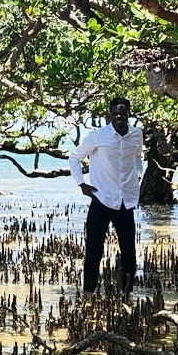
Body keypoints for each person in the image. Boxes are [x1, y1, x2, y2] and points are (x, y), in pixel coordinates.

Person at [68, 97, 144, 294]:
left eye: (123, 112)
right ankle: (89, 293)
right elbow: (75, 157)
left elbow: (137, 157)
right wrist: (81, 184)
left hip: (125, 203)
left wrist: (137, 175)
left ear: (128, 114)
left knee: (129, 251)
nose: (119, 116)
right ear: (109, 116)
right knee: (94, 250)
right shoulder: (98, 136)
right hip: (101, 200)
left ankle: (127, 293)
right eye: (115, 113)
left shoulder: (137, 135)